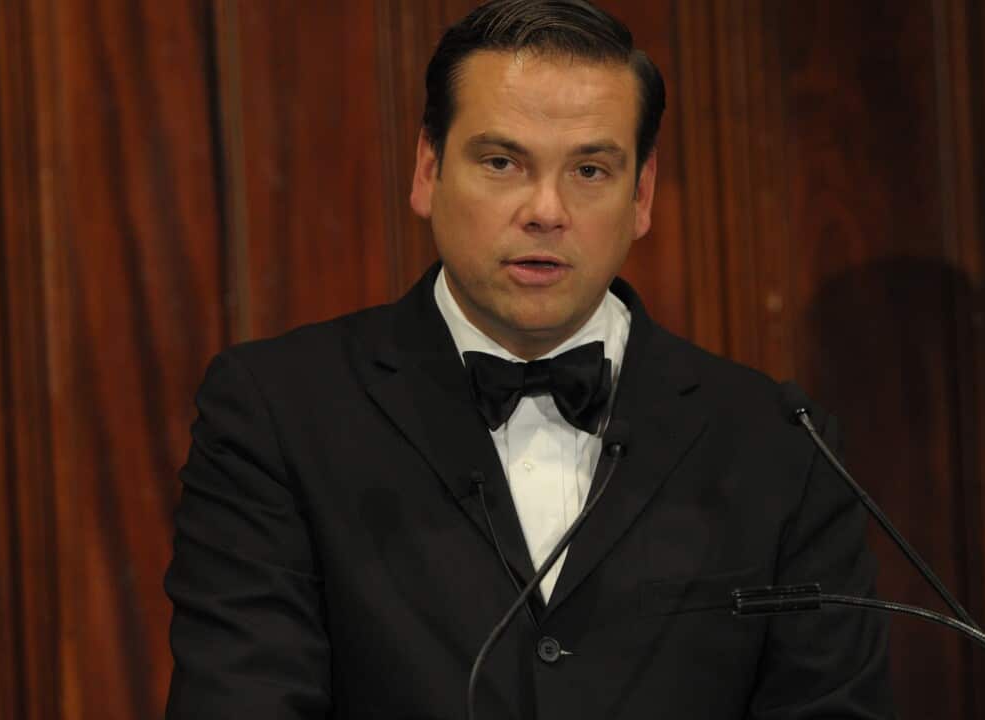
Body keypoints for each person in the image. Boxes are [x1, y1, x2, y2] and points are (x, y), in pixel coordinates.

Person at [164, 1, 893, 717]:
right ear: (427, 171)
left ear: (641, 195)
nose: (546, 209)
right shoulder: (279, 412)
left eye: (589, 171)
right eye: (503, 161)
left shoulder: (784, 447)